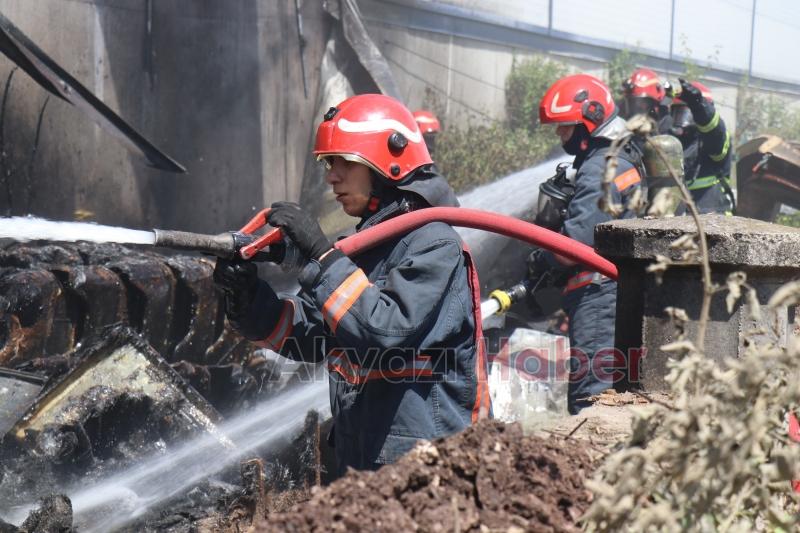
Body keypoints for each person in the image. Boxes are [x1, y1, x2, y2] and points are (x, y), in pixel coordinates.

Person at [213, 94, 490, 475]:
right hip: (364, 465)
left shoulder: (434, 244)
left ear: (387, 162)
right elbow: (308, 335)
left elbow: (383, 330)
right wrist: (247, 298)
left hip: (426, 473)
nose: (331, 176)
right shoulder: (366, 247)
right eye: (329, 163)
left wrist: (323, 258)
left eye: (344, 161)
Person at [529, 74, 644, 414]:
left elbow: (575, 244)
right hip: (614, 292)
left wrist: (542, 259)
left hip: (598, 295)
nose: (560, 134)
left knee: (591, 395)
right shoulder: (622, 157)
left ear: (589, 120)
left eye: (565, 126)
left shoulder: (599, 167)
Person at [670, 79, 734, 214]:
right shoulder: (674, 143)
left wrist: (699, 105)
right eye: (679, 113)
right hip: (682, 220)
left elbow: (714, 131)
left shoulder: (713, 140)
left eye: (688, 113)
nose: (682, 120)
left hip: (714, 220)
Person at [621, 68, 673, 134]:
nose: (639, 105)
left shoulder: (663, 120)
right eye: (633, 101)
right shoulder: (620, 117)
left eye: (645, 101)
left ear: (654, 103)